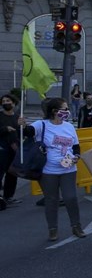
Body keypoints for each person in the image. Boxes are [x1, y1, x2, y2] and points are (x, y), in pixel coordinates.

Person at [20, 98, 85, 241]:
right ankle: (53, 229)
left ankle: (76, 226)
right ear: (55, 111)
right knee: (51, 200)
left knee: (71, 198)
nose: (67, 112)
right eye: (65, 109)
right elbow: (28, 132)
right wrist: (23, 125)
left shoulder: (69, 127)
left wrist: (76, 156)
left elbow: (76, 146)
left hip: (68, 169)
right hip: (48, 171)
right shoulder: (42, 125)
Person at [1, 93, 22, 206]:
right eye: (3, 101)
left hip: (14, 148)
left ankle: (9, 196)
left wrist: (23, 127)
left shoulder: (17, 116)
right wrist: (5, 129)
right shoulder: (0, 116)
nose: (5, 103)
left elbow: (21, 132)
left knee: (12, 173)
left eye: (8, 101)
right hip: (2, 148)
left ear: (13, 103)